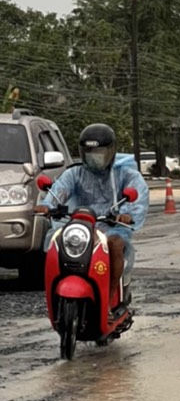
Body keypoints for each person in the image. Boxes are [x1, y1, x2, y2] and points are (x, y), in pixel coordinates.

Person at [35, 124, 149, 304]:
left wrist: (125, 214)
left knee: (115, 245)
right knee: (57, 245)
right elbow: (59, 191)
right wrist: (47, 205)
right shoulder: (75, 173)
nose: (94, 156)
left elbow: (136, 198)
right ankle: (54, 297)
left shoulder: (126, 174)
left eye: (99, 152)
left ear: (111, 151)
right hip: (80, 225)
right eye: (89, 152)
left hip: (112, 227)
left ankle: (111, 296)